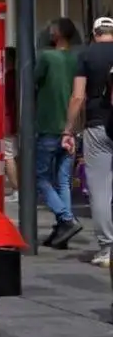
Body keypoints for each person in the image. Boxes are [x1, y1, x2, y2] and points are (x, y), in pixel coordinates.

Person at [63, 13, 113, 266]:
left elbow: (78, 97)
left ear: (94, 33)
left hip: (98, 128)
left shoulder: (86, 55)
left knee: (101, 190)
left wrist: (69, 129)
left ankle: (107, 248)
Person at [35, 18, 82, 248]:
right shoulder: (76, 59)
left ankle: (66, 218)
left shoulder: (46, 57)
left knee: (40, 177)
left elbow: (32, 83)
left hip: (48, 126)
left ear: (58, 34)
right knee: (63, 181)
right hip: (70, 128)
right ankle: (63, 230)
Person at [3, 49, 18, 197]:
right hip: (17, 121)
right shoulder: (19, 77)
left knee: (8, 155)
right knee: (15, 155)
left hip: (7, 121)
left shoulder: (7, 78)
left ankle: (16, 188)